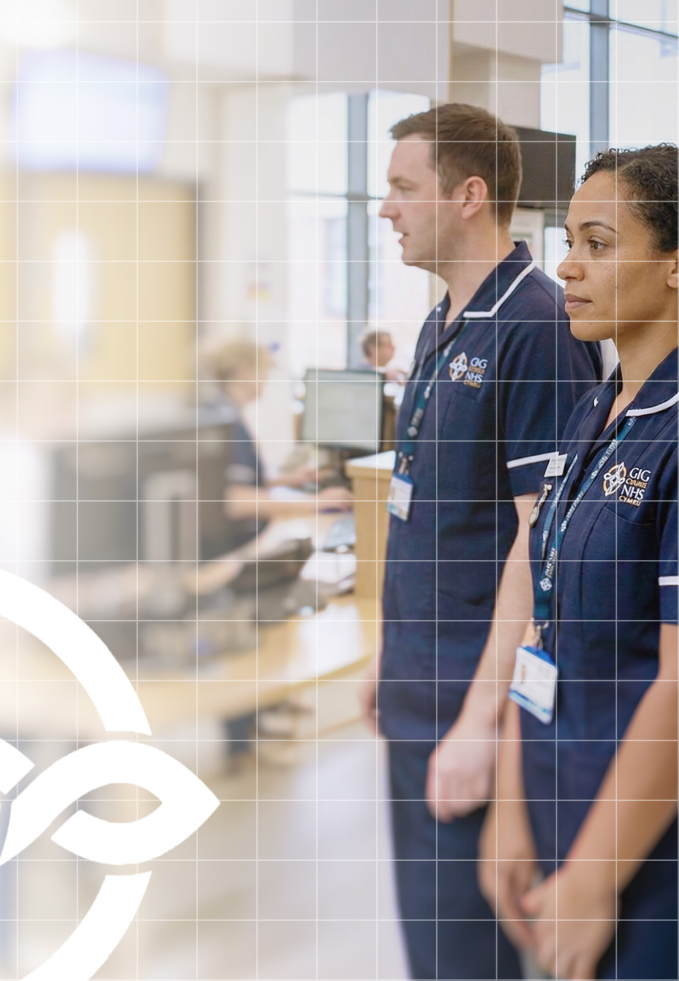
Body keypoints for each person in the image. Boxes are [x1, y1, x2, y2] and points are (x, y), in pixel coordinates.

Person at [358, 103, 601, 979]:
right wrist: (389, 655)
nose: (384, 208)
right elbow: (435, 516)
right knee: (432, 954)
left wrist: (478, 722)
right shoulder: (441, 323)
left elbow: (542, 548)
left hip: (475, 712)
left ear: (468, 194)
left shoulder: (535, 327)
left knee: (467, 961)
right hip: (417, 693)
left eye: (401, 188)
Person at [481, 144, 679, 980]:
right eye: (570, 241)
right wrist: (513, 806)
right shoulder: (597, 406)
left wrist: (596, 874)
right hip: (560, 798)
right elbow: (545, 617)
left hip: (644, 849)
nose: (567, 265)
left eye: (599, 244)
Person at [208, 339, 351, 553]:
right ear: (242, 372)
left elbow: (235, 479)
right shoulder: (225, 423)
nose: (266, 379)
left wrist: (289, 479)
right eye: (262, 370)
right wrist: (316, 502)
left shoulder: (225, 412)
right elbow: (233, 497)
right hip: (234, 546)